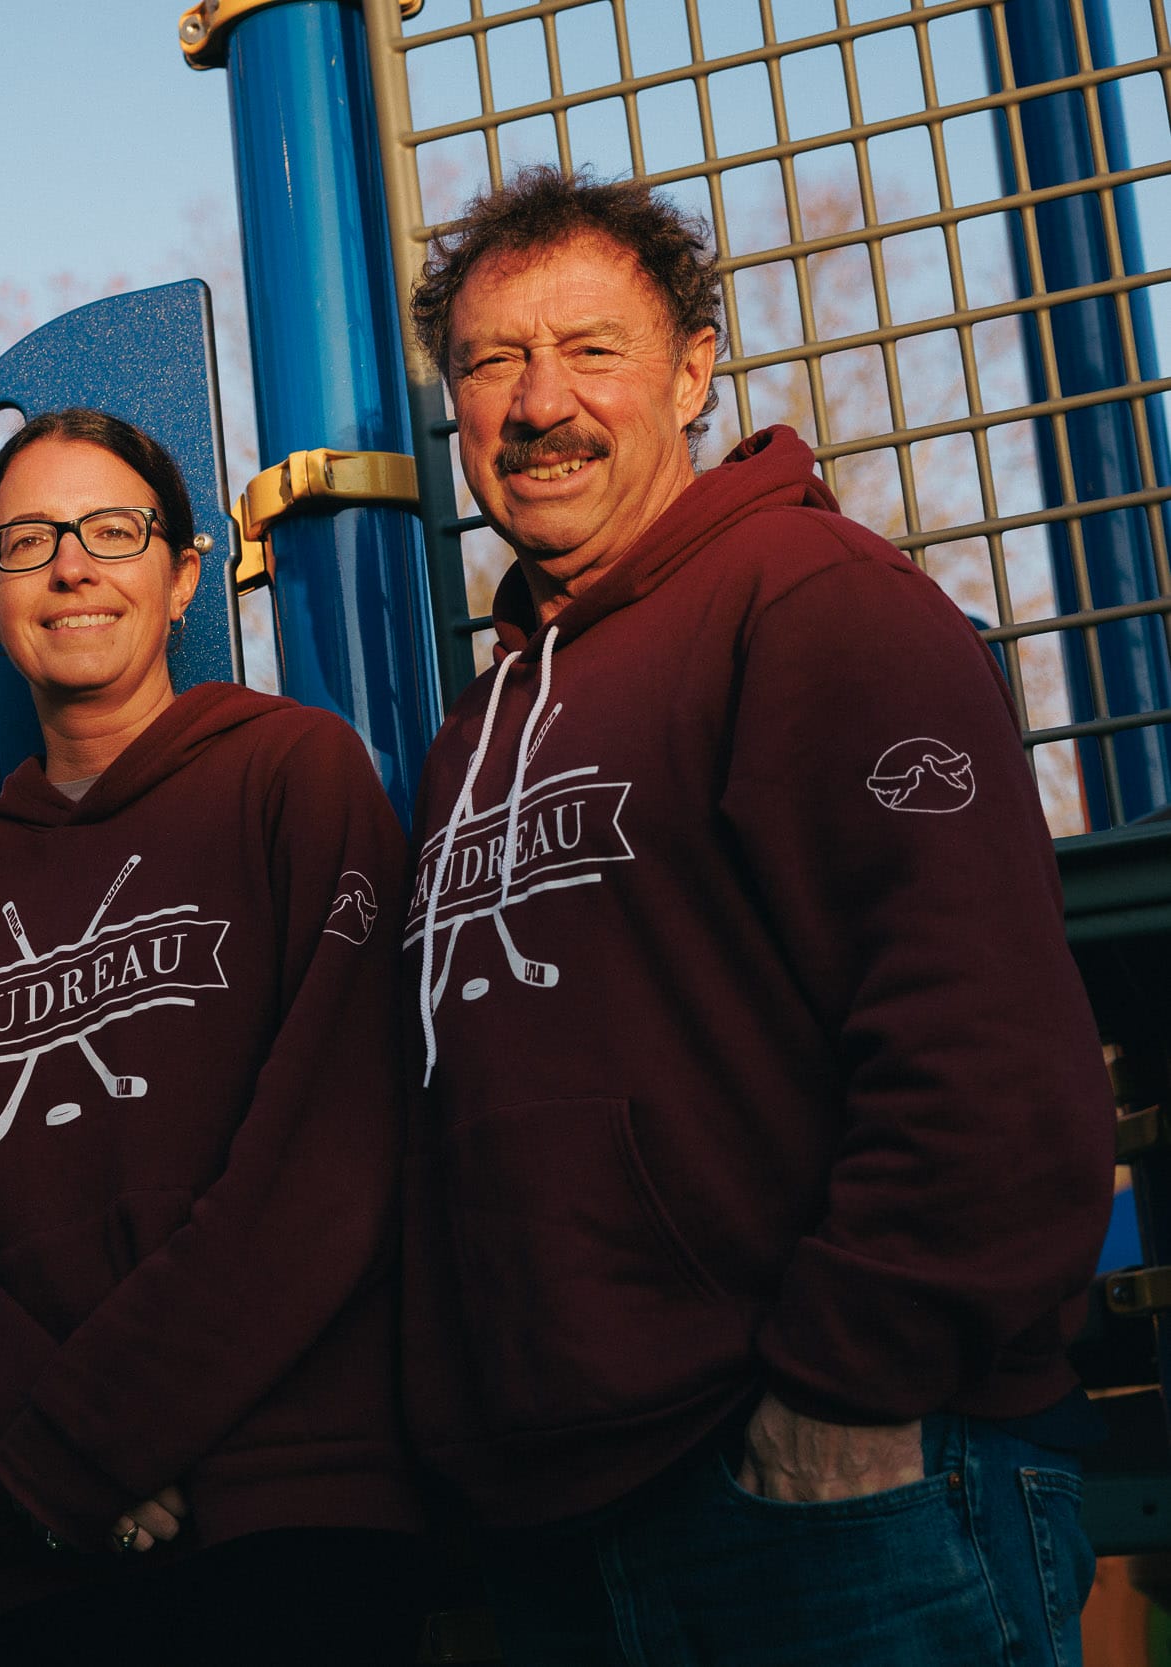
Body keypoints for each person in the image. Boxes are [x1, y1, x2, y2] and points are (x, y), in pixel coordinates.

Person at [399, 165, 1115, 1663]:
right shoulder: (478, 730)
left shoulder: (816, 604)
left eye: (592, 348)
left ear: (696, 369)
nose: (540, 401)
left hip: (832, 1494)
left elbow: (990, 1054)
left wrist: (845, 1396)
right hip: (576, 1509)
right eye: (490, 359)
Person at [0, 409, 421, 1661]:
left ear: (182, 574)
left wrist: (97, 1437)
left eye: (111, 530)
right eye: (25, 541)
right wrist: (55, 1453)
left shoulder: (295, 776)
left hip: (292, 1514)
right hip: (45, 1545)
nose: (69, 566)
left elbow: (328, 1159)